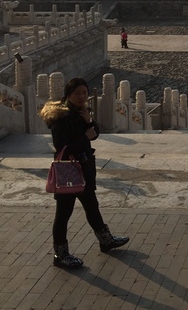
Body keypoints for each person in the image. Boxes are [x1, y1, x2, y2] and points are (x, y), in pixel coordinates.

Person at [42, 77, 130, 269]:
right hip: (68, 171)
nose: (82, 96)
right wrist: (85, 136)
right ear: (68, 95)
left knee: (92, 205)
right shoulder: (61, 117)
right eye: (77, 93)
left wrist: (89, 122)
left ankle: (105, 240)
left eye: (84, 92)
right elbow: (62, 146)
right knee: (63, 214)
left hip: (83, 168)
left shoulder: (80, 112)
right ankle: (60, 254)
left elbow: (95, 133)